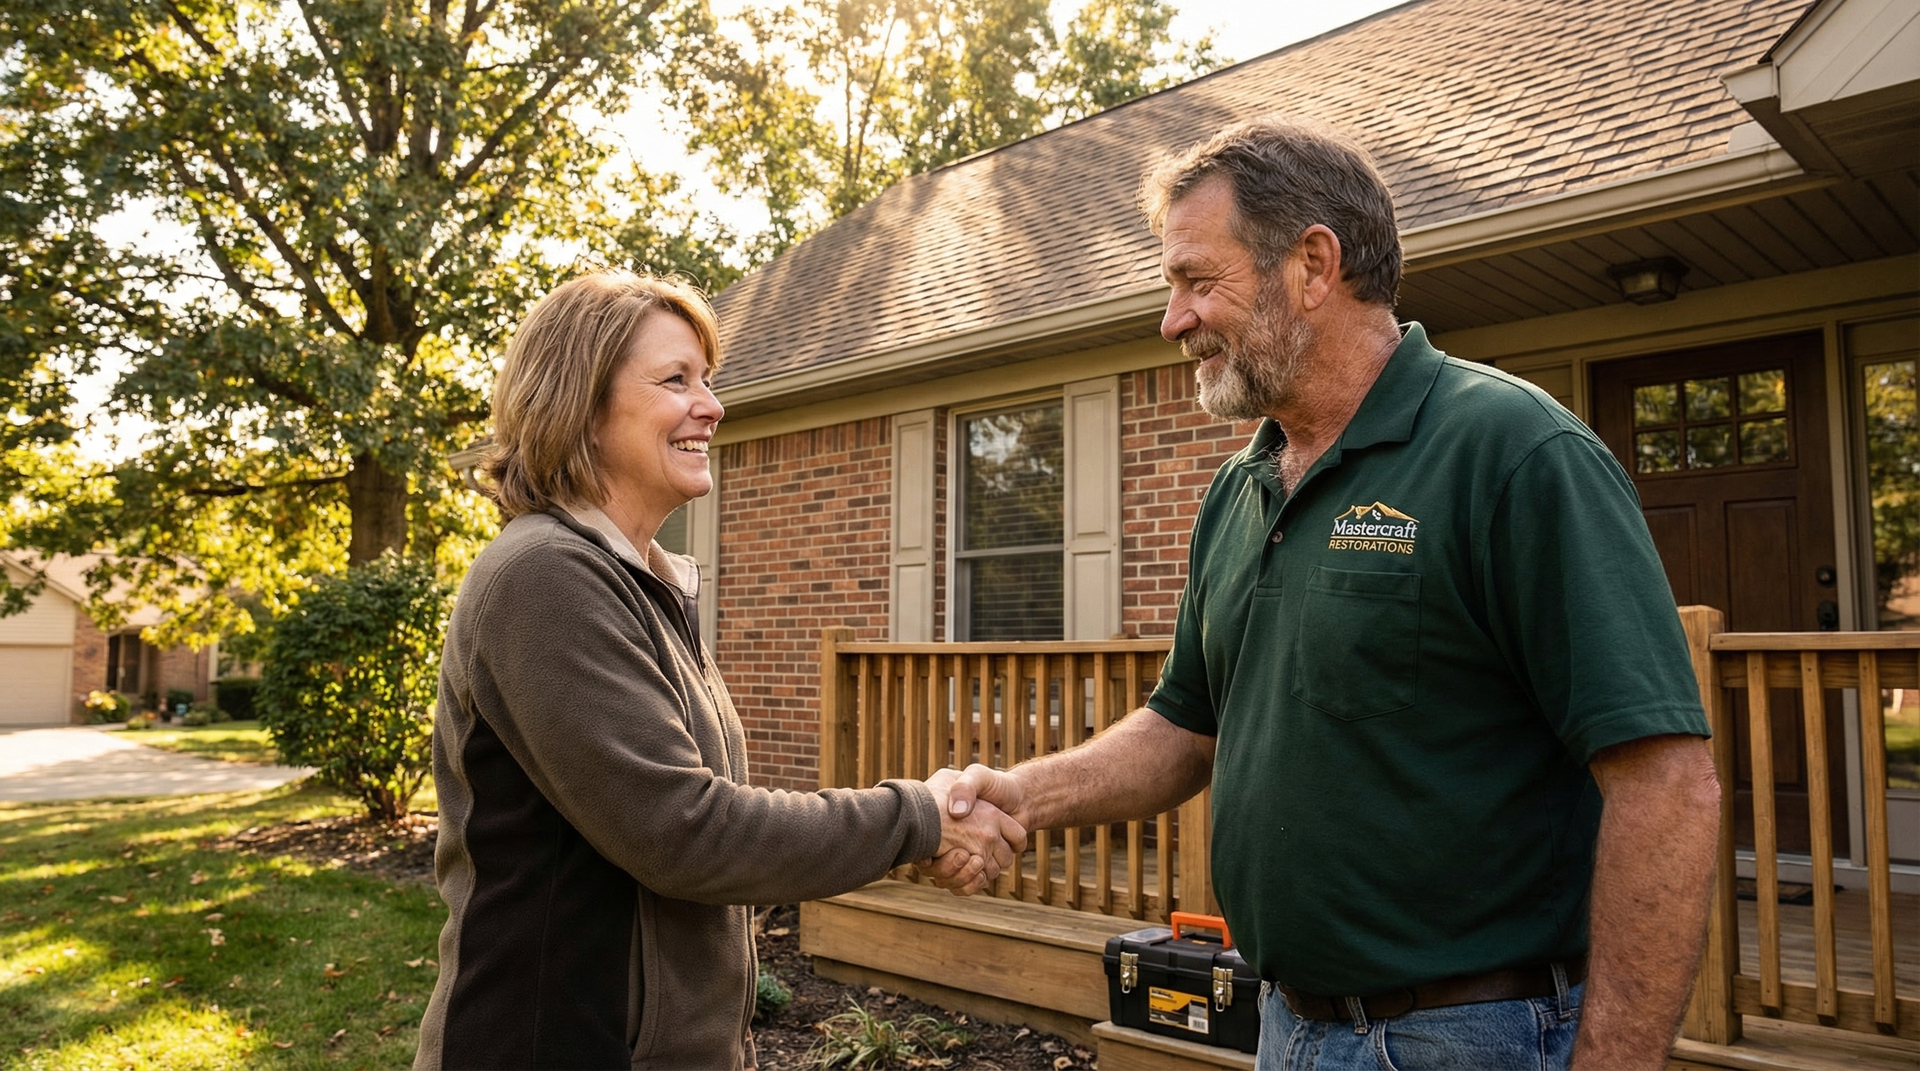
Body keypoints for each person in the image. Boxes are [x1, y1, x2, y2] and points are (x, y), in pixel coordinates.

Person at [932, 117, 1721, 1070]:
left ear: (1312, 265)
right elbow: (1184, 729)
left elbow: (1665, 785)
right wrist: (1018, 794)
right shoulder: (1242, 487)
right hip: (1289, 1027)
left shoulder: (1512, 452)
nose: (1172, 319)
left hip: (1476, 1035)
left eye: (1196, 280)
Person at [414, 271, 1025, 1071]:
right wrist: (920, 817)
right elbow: (689, 832)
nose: (713, 404)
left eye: (709, 378)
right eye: (676, 380)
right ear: (583, 406)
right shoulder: (544, 578)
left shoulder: (646, 581)